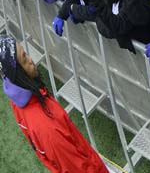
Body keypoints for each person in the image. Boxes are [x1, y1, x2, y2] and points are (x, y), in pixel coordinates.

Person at [0, 35, 107, 173]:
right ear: (18, 74)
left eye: (26, 53)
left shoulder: (18, 97)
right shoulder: (48, 129)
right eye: (25, 58)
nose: (31, 60)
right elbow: (78, 169)